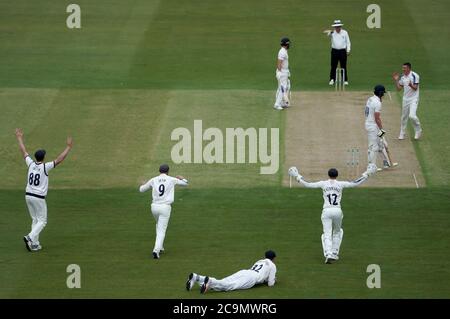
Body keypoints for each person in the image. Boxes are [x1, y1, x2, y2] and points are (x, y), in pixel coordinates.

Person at [288, 166, 376, 263]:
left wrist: (297, 176)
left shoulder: (323, 183)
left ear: (328, 175)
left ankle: (329, 253)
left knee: (327, 233)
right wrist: (367, 174)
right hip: (337, 210)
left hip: (327, 211)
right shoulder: (340, 184)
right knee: (338, 232)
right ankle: (334, 252)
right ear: (337, 175)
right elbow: (355, 183)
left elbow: (308, 184)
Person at [15, 128, 73, 252]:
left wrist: (19, 138)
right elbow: (59, 159)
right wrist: (68, 147)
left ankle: (34, 244)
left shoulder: (30, 163)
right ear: (44, 157)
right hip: (38, 198)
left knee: (35, 219)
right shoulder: (45, 167)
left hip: (28, 196)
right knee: (42, 221)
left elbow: (23, 151)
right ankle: (30, 237)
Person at [139, 164, 188, 259]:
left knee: (158, 225)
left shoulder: (153, 179)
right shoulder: (171, 179)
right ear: (168, 171)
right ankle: (156, 251)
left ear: (159, 171)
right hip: (165, 207)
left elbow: (141, 190)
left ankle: (160, 247)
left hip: (154, 207)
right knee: (162, 230)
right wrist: (183, 178)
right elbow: (185, 184)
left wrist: (143, 184)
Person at [186, 250, 277, 294]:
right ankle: (210, 281)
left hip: (244, 272)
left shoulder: (259, 261)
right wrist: (271, 280)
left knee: (224, 281)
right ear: (273, 258)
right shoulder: (272, 265)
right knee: (229, 286)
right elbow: (271, 284)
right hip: (251, 279)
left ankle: (196, 277)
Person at [365, 85, 398, 170]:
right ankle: (371, 167)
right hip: (373, 126)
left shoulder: (371, 99)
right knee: (373, 147)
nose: (383, 94)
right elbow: (377, 118)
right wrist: (381, 129)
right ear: (380, 93)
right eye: (383, 93)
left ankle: (386, 163)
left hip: (371, 124)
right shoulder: (377, 103)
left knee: (381, 144)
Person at [392, 63, 423, 140]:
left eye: (404, 68)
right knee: (404, 117)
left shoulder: (415, 76)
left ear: (409, 68)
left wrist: (410, 85)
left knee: (412, 116)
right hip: (405, 99)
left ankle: (418, 130)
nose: (403, 69)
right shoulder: (402, 77)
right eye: (403, 68)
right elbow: (399, 89)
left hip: (414, 99)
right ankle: (402, 133)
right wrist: (396, 80)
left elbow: (415, 88)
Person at [324, 20, 351, 86]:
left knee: (343, 66)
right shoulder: (332, 33)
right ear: (334, 27)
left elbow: (348, 42)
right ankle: (332, 79)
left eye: (338, 27)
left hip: (342, 51)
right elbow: (327, 34)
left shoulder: (345, 32)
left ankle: (345, 80)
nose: (337, 28)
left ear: (340, 26)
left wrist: (348, 50)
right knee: (333, 66)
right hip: (334, 51)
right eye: (336, 27)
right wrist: (330, 32)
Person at [274, 37, 291, 110]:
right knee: (282, 88)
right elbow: (279, 63)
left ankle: (282, 103)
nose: (289, 45)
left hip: (285, 72)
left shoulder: (284, 51)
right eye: (288, 44)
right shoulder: (282, 52)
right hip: (282, 73)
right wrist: (279, 72)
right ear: (286, 44)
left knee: (285, 87)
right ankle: (277, 104)